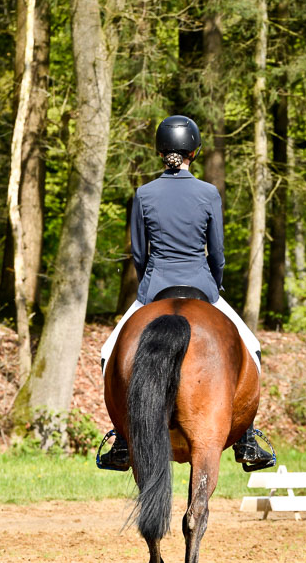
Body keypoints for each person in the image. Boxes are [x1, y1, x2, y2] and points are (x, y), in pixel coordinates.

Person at [99, 115, 274, 472]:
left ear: (160, 152)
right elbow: (218, 251)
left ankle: (120, 438)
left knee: (108, 354)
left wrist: (146, 283)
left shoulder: (144, 194)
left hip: (154, 288)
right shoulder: (209, 193)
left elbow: (139, 254)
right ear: (194, 150)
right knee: (251, 348)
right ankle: (245, 435)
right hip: (202, 286)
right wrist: (215, 281)